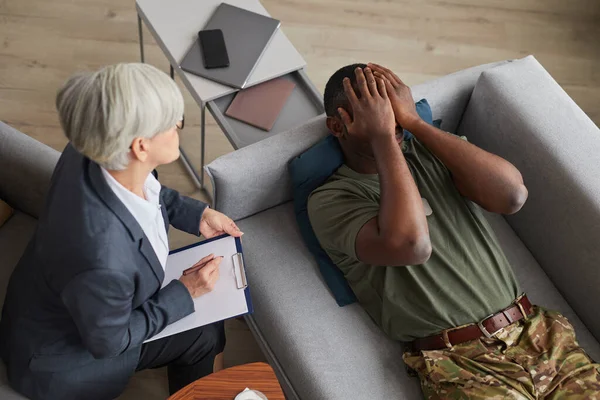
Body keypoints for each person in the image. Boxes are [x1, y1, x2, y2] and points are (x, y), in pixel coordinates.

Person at [308, 63, 600, 399]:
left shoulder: (431, 153)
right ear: (337, 125)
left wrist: (416, 123)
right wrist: (383, 137)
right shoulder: (332, 199)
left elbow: (512, 195)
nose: (390, 118)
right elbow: (412, 245)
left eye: (391, 104)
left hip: (539, 334)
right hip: (459, 362)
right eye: (373, 110)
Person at [0, 63, 243, 400]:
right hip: (66, 361)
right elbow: (109, 342)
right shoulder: (101, 258)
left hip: (51, 304)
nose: (178, 127)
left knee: (206, 321)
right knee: (204, 332)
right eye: (174, 124)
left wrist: (196, 213)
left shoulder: (92, 148)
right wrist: (184, 293)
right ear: (140, 147)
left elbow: (146, 190)